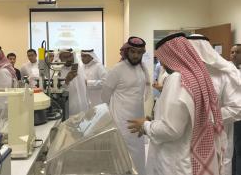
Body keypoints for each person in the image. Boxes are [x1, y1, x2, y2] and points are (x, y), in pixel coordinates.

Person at [128, 33, 224, 175]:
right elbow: (181, 118)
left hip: (174, 162)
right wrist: (153, 121)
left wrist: (145, 126)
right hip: (188, 155)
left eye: (163, 59)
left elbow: (171, 130)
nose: (163, 64)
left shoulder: (177, 79)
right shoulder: (195, 77)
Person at [187, 35, 241, 175]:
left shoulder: (225, 71)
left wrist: (207, 117)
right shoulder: (181, 72)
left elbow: (237, 108)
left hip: (217, 136)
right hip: (187, 136)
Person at [101, 36, 149, 175]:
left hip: (137, 122)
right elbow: (105, 95)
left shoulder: (142, 69)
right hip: (121, 122)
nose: (136, 55)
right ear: (126, 51)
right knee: (122, 158)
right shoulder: (118, 69)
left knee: (138, 155)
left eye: (139, 53)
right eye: (133, 52)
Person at [56, 48, 89, 116]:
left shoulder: (79, 68)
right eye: (65, 57)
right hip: (69, 110)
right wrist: (67, 81)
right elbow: (56, 93)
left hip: (83, 107)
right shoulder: (56, 71)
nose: (69, 59)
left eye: (70, 56)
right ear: (60, 58)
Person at [230, 44, 241, 175]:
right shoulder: (227, 71)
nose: (233, 54)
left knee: (238, 150)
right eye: (232, 52)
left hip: (239, 114)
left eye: (237, 52)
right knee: (231, 149)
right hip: (230, 115)